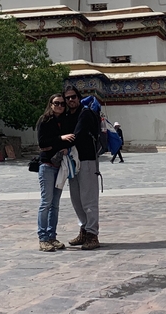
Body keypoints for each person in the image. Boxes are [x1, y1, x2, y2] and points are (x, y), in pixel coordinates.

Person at [62, 84, 101, 250]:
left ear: (79, 98)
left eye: (74, 97)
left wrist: (61, 143)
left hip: (87, 160)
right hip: (72, 162)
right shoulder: (66, 116)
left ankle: (92, 233)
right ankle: (84, 229)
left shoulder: (85, 114)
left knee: (89, 198)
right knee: (76, 198)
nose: (71, 100)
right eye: (68, 98)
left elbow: (77, 135)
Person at [35, 94, 74, 252]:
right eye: (56, 103)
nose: (60, 106)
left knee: (55, 205)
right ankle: (43, 238)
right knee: (46, 202)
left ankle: (52, 236)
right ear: (50, 104)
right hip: (47, 165)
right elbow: (42, 143)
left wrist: (62, 144)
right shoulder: (44, 120)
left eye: (62, 104)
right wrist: (60, 139)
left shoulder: (64, 121)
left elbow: (69, 140)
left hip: (60, 166)